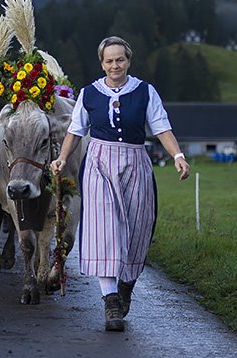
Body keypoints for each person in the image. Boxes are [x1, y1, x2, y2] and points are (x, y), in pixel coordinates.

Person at [50, 35, 190, 331]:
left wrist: (177, 155)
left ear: (129, 61)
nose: (115, 65)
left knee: (137, 229)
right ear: (102, 63)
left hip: (136, 161)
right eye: (109, 60)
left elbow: (161, 126)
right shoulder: (89, 93)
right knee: (105, 228)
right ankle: (110, 300)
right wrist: (62, 158)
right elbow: (75, 131)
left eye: (120, 59)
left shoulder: (145, 92)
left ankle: (126, 285)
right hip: (99, 161)